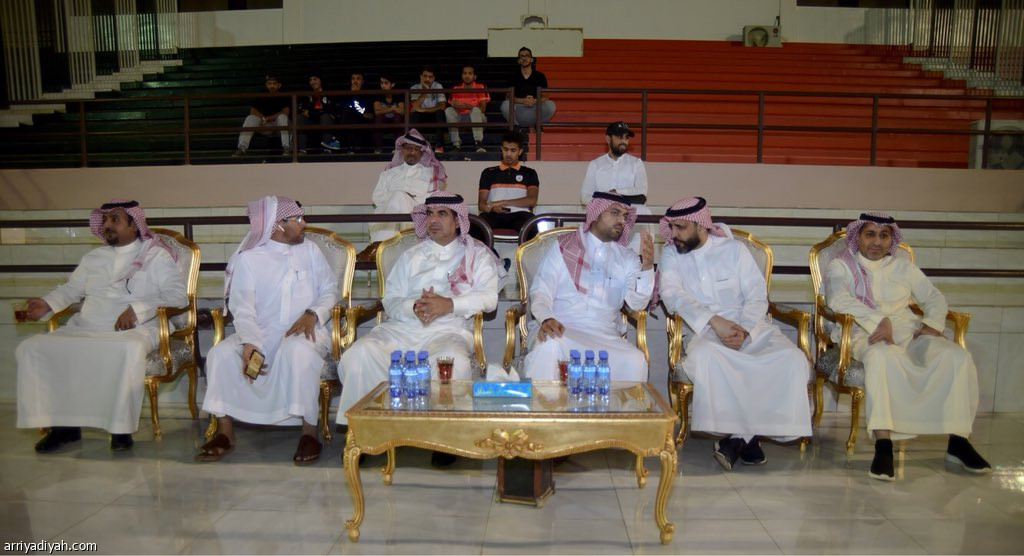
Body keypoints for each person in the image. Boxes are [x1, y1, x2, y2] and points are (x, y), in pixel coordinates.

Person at [826, 212, 991, 481]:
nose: (877, 242)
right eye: (870, 234)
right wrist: (879, 321)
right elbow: (838, 299)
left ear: (891, 240)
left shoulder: (903, 267)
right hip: (863, 331)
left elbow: (934, 297)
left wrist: (933, 324)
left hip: (907, 329)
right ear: (858, 237)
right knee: (882, 358)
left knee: (956, 357)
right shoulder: (842, 266)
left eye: (884, 236)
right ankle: (883, 445)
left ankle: (958, 441)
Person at [16, 200, 187, 453]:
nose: (107, 225)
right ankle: (63, 427)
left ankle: (120, 429)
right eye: (104, 220)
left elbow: (177, 295)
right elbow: (72, 289)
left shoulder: (157, 256)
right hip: (87, 326)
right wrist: (46, 303)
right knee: (32, 348)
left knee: (126, 350)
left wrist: (138, 310)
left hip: (135, 329)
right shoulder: (94, 257)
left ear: (134, 225)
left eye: (114, 220)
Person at [658, 197, 812, 471]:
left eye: (680, 227)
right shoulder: (671, 254)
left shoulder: (734, 250)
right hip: (704, 330)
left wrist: (744, 329)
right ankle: (748, 439)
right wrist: (715, 321)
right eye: (671, 227)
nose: (674, 234)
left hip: (751, 328)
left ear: (701, 225)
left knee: (792, 359)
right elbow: (672, 295)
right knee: (705, 357)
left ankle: (738, 439)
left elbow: (757, 295)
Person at [337, 192, 501, 429]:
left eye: (442, 214)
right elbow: (390, 298)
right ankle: (367, 431)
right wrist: (413, 306)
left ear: (458, 221)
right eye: (429, 214)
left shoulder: (477, 255)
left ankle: (440, 434)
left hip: (447, 330)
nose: (433, 220)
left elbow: (489, 298)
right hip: (401, 329)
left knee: (453, 362)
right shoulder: (411, 255)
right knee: (361, 353)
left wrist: (448, 304)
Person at [197, 196, 338, 465]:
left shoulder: (310, 250)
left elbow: (331, 289)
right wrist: (250, 341)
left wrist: (314, 313)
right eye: (297, 219)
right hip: (261, 329)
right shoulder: (249, 259)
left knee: (297, 351)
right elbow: (242, 308)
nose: (304, 224)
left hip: (307, 329)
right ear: (278, 224)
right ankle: (225, 432)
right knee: (219, 355)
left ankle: (309, 432)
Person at [522, 192, 653, 382]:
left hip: (606, 335)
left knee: (636, 360)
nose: (621, 221)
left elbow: (637, 304)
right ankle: (546, 403)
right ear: (596, 214)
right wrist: (546, 317)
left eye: (625, 216)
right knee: (549, 346)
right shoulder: (563, 247)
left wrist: (647, 268)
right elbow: (541, 291)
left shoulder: (627, 258)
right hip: (563, 328)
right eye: (615, 213)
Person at [358, 129, 448, 262]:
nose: (412, 152)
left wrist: (408, 197)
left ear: (421, 152)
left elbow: (433, 199)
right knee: (398, 197)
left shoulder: (430, 174)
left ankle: (379, 246)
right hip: (388, 213)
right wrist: (396, 197)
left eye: (416, 149)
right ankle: (385, 246)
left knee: (400, 196)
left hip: (415, 216)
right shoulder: (389, 173)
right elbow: (377, 198)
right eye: (409, 148)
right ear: (402, 150)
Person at [581, 121, 650, 253]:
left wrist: (616, 193)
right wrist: (607, 204)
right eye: (619, 137)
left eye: (626, 138)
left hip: (629, 221)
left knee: (645, 214)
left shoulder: (636, 163)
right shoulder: (595, 165)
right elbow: (585, 197)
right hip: (602, 221)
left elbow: (642, 193)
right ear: (608, 139)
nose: (624, 141)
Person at [477, 130, 539, 236]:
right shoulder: (488, 172)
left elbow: (531, 201)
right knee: (477, 225)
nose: (509, 154)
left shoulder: (530, 173)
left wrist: (502, 202)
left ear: (520, 151)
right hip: (494, 213)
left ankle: (529, 248)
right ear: (501, 149)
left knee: (531, 225)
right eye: (505, 150)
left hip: (520, 215)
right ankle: (482, 248)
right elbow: (481, 205)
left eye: (513, 150)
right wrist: (492, 208)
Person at [233, 73, 290, 157]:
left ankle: (286, 148)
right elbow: (253, 111)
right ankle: (241, 148)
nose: (272, 86)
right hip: (265, 124)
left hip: (278, 125)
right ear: (266, 85)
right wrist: (264, 118)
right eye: (270, 84)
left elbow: (286, 112)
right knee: (250, 118)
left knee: (282, 117)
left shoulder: (284, 94)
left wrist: (269, 118)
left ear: (279, 85)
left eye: (274, 84)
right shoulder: (261, 94)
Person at [500, 46, 556, 130]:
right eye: (522, 56)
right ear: (518, 61)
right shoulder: (513, 77)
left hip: (535, 110)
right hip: (519, 111)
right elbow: (508, 97)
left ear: (531, 59)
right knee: (505, 105)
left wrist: (534, 101)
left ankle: (539, 125)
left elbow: (546, 97)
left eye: (527, 56)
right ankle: (515, 127)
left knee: (550, 105)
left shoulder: (540, 76)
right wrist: (523, 100)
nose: (524, 58)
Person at [445, 64, 490, 153]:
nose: (467, 76)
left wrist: (467, 106)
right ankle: (456, 144)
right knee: (448, 110)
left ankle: (478, 143)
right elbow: (452, 104)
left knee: (476, 110)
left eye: (470, 73)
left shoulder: (480, 87)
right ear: (462, 75)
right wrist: (455, 105)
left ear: (475, 76)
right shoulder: (456, 88)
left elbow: (482, 109)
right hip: (461, 118)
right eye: (465, 73)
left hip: (478, 119)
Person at [297, 71, 340, 152]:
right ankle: (302, 150)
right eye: (311, 80)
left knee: (325, 117)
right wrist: (318, 112)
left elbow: (330, 110)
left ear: (320, 81)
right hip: (312, 121)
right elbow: (303, 110)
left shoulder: (329, 92)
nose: (312, 82)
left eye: (315, 79)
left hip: (326, 120)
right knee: (300, 118)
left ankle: (328, 148)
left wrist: (311, 113)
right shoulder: (307, 95)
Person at [409, 65, 447, 152]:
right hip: (421, 118)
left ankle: (439, 145)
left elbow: (442, 106)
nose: (427, 79)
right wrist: (424, 93)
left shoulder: (438, 86)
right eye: (425, 76)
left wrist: (424, 110)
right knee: (414, 114)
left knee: (440, 113)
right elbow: (415, 106)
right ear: (421, 77)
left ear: (434, 78)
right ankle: (416, 145)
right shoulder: (414, 87)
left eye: (430, 77)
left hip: (434, 117)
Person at [337, 71, 374, 153]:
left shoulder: (367, 95)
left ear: (362, 81)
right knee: (349, 114)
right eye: (353, 79)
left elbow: (370, 115)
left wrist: (357, 95)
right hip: (349, 121)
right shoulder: (346, 95)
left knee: (352, 116)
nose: (355, 81)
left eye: (358, 79)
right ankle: (348, 147)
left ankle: (340, 142)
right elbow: (342, 110)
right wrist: (352, 94)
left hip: (362, 122)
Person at [373, 74, 405, 154]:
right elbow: (377, 111)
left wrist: (384, 109)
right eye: (381, 83)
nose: (383, 86)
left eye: (386, 83)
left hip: (395, 121)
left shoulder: (398, 94)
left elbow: (401, 111)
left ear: (392, 84)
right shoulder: (378, 94)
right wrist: (393, 109)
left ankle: (397, 147)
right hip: (383, 121)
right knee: (379, 118)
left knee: (398, 117)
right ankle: (378, 148)